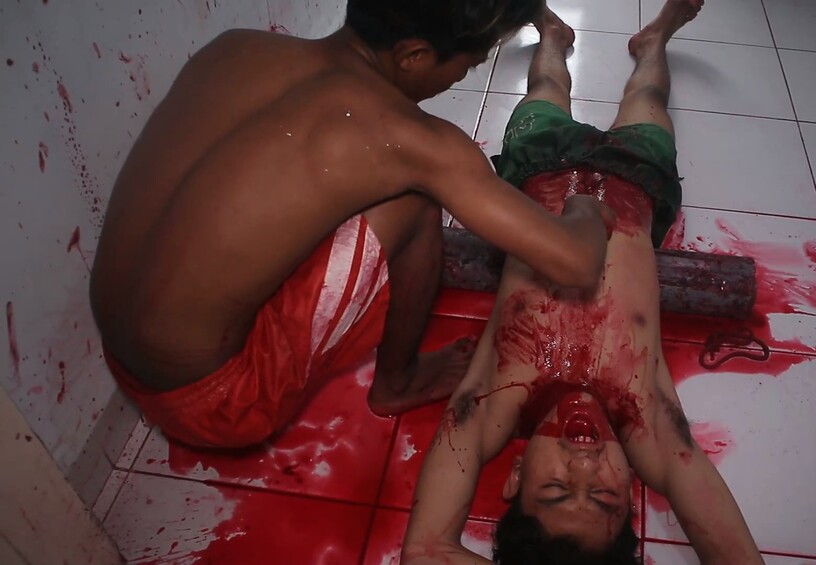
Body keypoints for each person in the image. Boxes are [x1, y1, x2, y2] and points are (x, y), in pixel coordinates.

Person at [88, 0, 615, 449]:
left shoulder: (234, 49)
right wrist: (585, 208)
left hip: (124, 355)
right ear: (413, 56)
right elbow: (576, 262)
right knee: (414, 196)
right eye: (467, 65)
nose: (461, 77)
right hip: (215, 403)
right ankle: (399, 382)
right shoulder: (408, 140)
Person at [401, 2, 764, 564]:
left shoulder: (492, 404)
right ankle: (655, 40)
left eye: (555, 488)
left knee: (546, 85)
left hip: (539, 166)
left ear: (515, 476)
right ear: (631, 490)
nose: (584, 461)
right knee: (648, 96)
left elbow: (426, 552)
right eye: (603, 495)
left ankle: (551, 32)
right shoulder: (650, 426)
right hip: (636, 181)